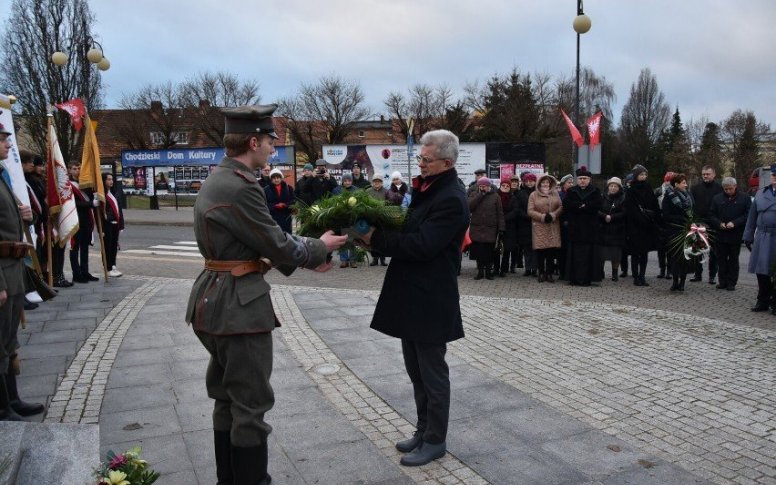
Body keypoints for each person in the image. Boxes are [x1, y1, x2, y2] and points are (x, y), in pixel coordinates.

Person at [185, 104, 347, 484]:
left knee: (227, 397)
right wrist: (319, 248)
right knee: (251, 405)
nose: (274, 149)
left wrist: (301, 256)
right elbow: (276, 243)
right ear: (253, 141)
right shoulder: (240, 187)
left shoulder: (221, 179)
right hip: (238, 308)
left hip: (215, 299)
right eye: (271, 141)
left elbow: (250, 246)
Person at [359, 129, 469, 467]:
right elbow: (409, 230)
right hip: (413, 294)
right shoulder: (429, 188)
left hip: (431, 298)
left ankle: (436, 439)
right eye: (419, 157)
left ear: (447, 162)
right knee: (416, 371)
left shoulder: (450, 197)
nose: (419, 163)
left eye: (425, 159)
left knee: (433, 375)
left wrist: (376, 238)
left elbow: (422, 245)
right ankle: (423, 430)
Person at [0, 123, 45, 421]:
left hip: (12, 269)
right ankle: (3, 407)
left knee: (8, 341)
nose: (7, 144)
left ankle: (12, 399)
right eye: (3, 140)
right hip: (2, 273)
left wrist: (25, 217)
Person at [743, 164, 776, 313]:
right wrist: (748, 236)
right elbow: (752, 217)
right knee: (761, 270)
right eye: (774, 175)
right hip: (763, 236)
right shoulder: (761, 193)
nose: (775, 178)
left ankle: (774, 301)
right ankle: (762, 300)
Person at [708, 177, 750, 291]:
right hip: (720, 234)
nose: (728, 191)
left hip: (735, 234)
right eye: (725, 189)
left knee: (733, 260)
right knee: (721, 259)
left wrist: (735, 223)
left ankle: (732, 282)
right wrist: (719, 223)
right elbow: (711, 215)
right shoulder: (717, 198)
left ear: (735, 186)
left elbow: (747, 215)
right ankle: (722, 281)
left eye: (730, 189)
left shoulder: (745, 198)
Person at [563, 166, 602, 286]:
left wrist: (585, 206)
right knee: (574, 254)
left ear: (589, 179)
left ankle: (587, 278)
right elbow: (566, 204)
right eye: (580, 178)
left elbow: (598, 204)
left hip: (589, 228)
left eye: (585, 178)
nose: (582, 181)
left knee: (588, 254)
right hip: (575, 227)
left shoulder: (595, 191)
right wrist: (579, 206)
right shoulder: (571, 191)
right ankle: (573, 278)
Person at [624, 164, 660, 286]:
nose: (643, 176)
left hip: (647, 226)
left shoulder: (648, 188)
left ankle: (642, 275)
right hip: (635, 226)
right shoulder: (631, 190)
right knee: (635, 253)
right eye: (641, 174)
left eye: (645, 174)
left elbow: (654, 204)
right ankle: (635, 276)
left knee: (644, 252)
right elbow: (630, 208)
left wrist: (653, 216)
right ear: (636, 176)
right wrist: (641, 217)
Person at [690, 166, 723, 284]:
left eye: (708, 174)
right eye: (703, 174)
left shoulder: (720, 189)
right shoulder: (695, 188)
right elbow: (691, 206)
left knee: (714, 252)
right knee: (697, 250)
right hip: (699, 224)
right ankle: (697, 274)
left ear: (714, 174)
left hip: (714, 224)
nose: (705, 176)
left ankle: (712, 276)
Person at [527, 174, 562, 282]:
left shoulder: (555, 193)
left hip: (552, 225)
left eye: (547, 182)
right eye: (543, 182)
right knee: (541, 252)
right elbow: (530, 210)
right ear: (539, 183)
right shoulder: (533, 195)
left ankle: (549, 274)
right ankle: (541, 273)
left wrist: (553, 215)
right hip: (539, 226)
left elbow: (561, 206)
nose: (545, 184)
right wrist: (542, 217)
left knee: (551, 252)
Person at [661, 173, 693, 292]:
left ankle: (683, 282)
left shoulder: (688, 196)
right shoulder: (669, 196)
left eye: (685, 182)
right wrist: (681, 219)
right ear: (676, 184)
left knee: (685, 257)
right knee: (674, 257)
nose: (686, 184)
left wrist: (691, 222)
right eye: (683, 182)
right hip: (673, 231)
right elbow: (666, 215)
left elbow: (692, 211)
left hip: (686, 231)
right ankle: (675, 281)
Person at [468, 177, 504, 280]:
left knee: (489, 252)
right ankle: (480, 272)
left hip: (490, 228)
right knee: (479, 252)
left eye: (485, 186)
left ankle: (488, 272)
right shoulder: (474, 194)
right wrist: (480, 195)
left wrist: (501, 228)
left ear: (489, 186)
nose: (483, 188)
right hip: (477, 228)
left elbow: (500, 213)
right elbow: (469, 207)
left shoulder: (496, 196)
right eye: (481, 186)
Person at [68, 163, 99, 283]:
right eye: (74, 168)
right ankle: (76, 274)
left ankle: (84, 271)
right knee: (74, 247)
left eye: (79, 168)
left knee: (85, 247)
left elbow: (91, 197)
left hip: (87, 219)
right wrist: (91, 204)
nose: (77, 171)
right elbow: (73, 203)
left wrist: (95, 195)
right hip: (75, 219)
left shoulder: (85, 184)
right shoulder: (68, 185)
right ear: (69, 170)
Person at [598, 177, 627, 281]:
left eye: (615, 186)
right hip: (603, 229)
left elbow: (624, 212)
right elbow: (597, 210)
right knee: (601, 253)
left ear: (619, 188)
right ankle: (600, 272)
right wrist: (604, 216)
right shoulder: (602, 197)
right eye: (611, 186)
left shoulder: (623, 198)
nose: (613, 188)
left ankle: (615, 273)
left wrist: (612, 217)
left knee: (615, 254)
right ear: (608, 187)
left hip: (617, 230)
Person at [101, 173, 124, 278]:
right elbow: (102, 213)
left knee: (114, 246)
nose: (111, 181)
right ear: (104, 181)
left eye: (111, 179)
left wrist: (121, 224)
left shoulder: (114, 193)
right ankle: (108, 267)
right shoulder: (102, 195)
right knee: (107, 246)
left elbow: (119, 209)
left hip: (116, 224)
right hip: (107, 224)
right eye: (108, 179)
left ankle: (113, 265)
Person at [365, 174, 389, 266]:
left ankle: (383, 259)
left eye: (379, 181)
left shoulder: (386, 191)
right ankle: (375, 259)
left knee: (383, 238)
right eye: (375, 181)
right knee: (372, 238)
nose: (377, 183)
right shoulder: (368, 191)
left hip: (382, 218)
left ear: (382, 182)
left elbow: (389, 203)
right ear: (372, 182)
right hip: (371, 218)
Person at [516, 172, 537, 276]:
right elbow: (518, 208)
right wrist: (528, 215)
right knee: (527, 248)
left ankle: (535, 268)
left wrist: (535, 215)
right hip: (525, 223)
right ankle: (528, 268)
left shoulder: (538, 193)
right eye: (527, 181)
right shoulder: (520, 193)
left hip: (537, 223)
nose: (529, 183)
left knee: (536, 247)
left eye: (531, 181)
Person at [654, 172, 675, 279]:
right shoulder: (658, 191)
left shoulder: (676, 191)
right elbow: (653, 205)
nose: (669, 183)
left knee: (670, 248)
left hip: (671, 222)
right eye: (668, 180)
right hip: (660, 222)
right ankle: (662, 269)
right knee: (660, 249)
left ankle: (669, 270)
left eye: (671, 181)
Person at [498, 178, 519, 276]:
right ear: (500, 186)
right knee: (496, 248)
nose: (505, 187)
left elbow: (515, 211)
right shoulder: (496, 196)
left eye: (507, 186)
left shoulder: (513, 197)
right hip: (497, 225)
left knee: (507, 249)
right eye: (503, 186)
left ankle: (504, 269)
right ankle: (496, 268)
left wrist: (505, 218)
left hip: (509, 225)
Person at [264, 168, 295, 234]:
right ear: (271, 179)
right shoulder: (266, 189)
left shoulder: (289, 188)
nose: (276, 179)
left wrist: (285, 205)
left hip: (286, 216)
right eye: (274, 178)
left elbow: (293, 201)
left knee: (287, 234)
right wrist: (274, 206)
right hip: (273, 216)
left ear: (281, 178)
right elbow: (264, 203)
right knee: (275, 234)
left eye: (278, 177)